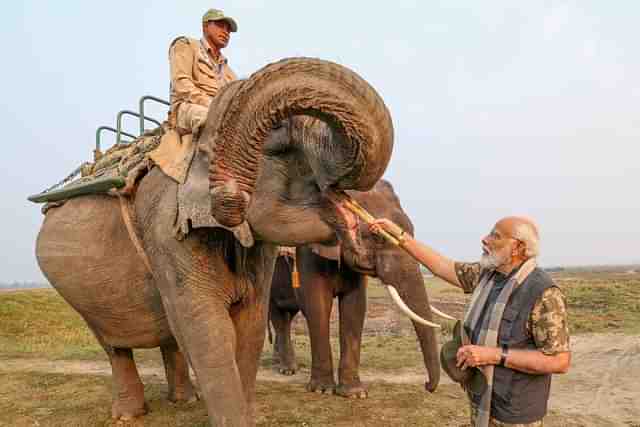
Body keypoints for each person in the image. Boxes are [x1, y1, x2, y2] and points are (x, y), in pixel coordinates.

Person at [370, 216, 571, 427]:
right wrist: (398, 234)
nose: (484, 239)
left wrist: (493, 355)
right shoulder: (487, 276)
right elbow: (441, 266)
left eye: (495, 236)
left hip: (516, 413)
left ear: (517, 247)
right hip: (483, 399)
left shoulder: (543, 293)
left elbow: (559, 361)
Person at [168, 8, 238, 135]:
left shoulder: (229, 72)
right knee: (211, 120)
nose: (225, 32)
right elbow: (181, 83)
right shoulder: (186, 45)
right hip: (188, 108)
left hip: (222, 112)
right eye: (220, 26)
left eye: (228, 30)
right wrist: (212, 105)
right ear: (205, 26)